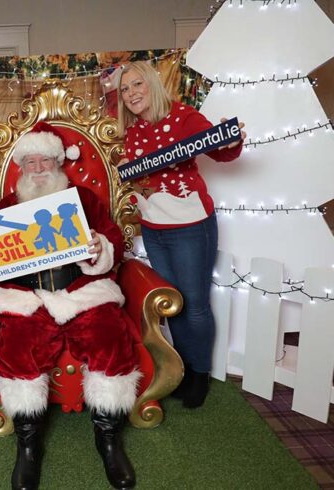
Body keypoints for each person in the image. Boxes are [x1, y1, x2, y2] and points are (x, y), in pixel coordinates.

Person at [0, 121, 140, 490]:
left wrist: (98, 248)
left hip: (80, 290)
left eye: (45, 160)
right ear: (21, 168)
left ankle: (108, 441)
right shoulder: (6, 207)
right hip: (27, 297)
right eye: (29, 162)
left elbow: (113, 241)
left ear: (59, 162)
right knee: (17, 347)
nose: (38, 168)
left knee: (109, 336)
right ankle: (28, 447)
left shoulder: (85, 199)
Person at [117, 61, 246, 409]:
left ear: (152, 84)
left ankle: (200, 374)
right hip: (155, 228)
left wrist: (231, 139)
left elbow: (221, 151)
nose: (131, 94)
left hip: (190, 224)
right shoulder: (133, 132)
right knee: (174, 305)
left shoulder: (184, 116)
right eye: (125, 89)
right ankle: (186, 368)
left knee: (195, 303)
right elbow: (142, 177)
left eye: (137, 84)